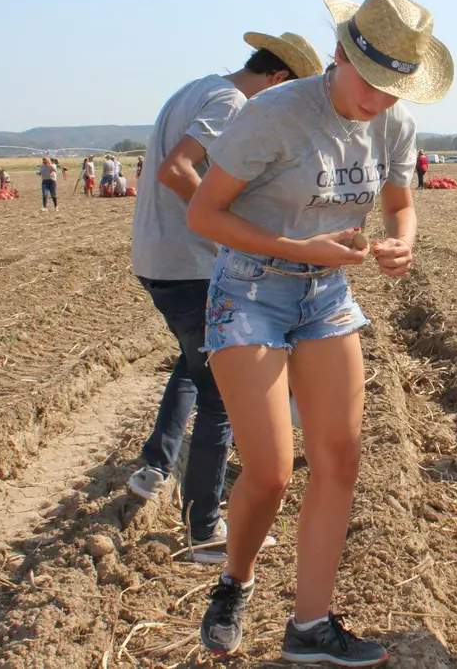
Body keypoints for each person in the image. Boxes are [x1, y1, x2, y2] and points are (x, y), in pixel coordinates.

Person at [185, 0, 449, 664]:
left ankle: (309, 627)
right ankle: (234, 582)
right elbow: (205, 215)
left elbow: (399, 204)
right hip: (249, 291)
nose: (381, 99)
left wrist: (400, 242)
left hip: (326, 295)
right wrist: (302, 249)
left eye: (396, 87)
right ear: (339, 54)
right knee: (272, 471)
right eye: (373, 80)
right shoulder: (276, 114)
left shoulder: (392, 125)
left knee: (340, 458)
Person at [128, 31, 322, 572]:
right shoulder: (232, 101)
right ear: (278, 80)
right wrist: (233, 225)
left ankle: (154, 464)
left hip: (158, 256)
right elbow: (176, 170)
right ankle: (205, 528)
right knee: (220, 390)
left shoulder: (197, 87)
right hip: (187, 261)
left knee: (194, 365)